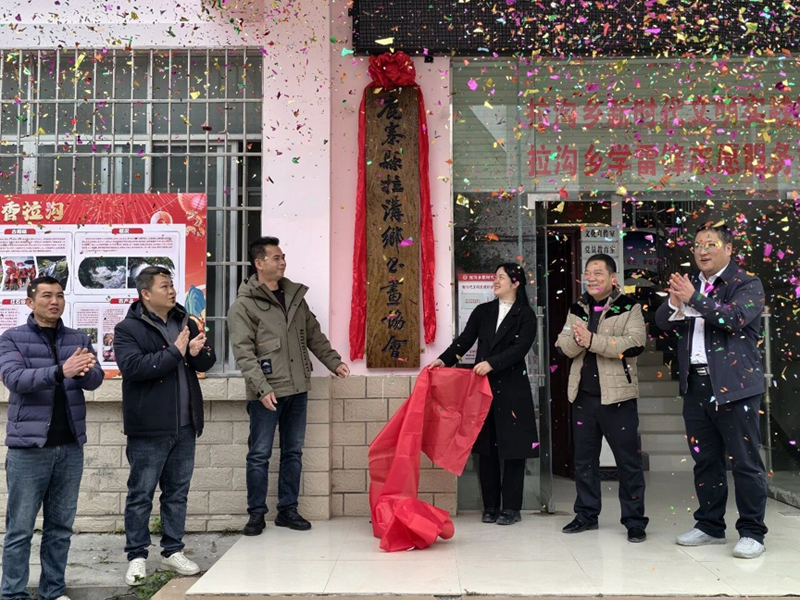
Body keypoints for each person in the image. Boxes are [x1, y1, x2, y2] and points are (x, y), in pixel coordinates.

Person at [656, 223, 768, 559]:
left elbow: (733, 318)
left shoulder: (746, 283)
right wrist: (675, 301)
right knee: (705, 460)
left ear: (728, 249)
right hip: (696, 384)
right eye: (698, 245)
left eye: (711, 244)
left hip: (736, 386)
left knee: (745, 462)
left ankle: (752, 531)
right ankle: (709, 525)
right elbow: (661, 322)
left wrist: (694, 298)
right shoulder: (691, 283)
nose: (702, 250)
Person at [229, 236, 350, 536]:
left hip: (297, 388)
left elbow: (314, 335)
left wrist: (334, 362)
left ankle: (287, 510)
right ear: (259, 263)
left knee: (293, 452)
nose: (282, 262)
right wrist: (262, 388)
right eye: (276, 258)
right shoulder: (244, 305)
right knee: (259, 454)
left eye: (283, 257)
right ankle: (256, 514)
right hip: (266, 393)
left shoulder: (295, 297)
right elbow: (244, 353)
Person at [0, 276, 104, 600]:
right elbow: (15, 379)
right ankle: (13, 594)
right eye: (46, 295)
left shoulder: (77, 338)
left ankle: (53, 591)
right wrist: (61, 370)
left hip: (70, 447)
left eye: (59, 295)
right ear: (30, 302)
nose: (54, 301)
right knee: (20, 529)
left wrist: (86, 371)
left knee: (60, 528)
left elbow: (95, 379)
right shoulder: (12, 338)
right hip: (29, 450)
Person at [113, 267, 216, 586]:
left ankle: (173, 550)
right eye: (165, 286)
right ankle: (136, 556)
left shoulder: (185, 321)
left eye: (172, 285)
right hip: (149, 427)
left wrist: (197, 353)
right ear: (146, 294)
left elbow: (205, 362)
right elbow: (133, 367)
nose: (172, 291)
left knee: (177, 493)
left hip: (185, 425)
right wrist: (175, 352)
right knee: (141, 494)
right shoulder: (127, 329)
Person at [429, 263, 538, 526]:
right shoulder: (483, 311)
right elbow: (464, 340)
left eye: (501, 277)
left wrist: (492, 363)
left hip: (512, 390)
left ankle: (511, 507)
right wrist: (443, 360)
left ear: (515, 283)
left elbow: (520, 348)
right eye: (495, 277)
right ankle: (490, 506)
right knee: (486, 449)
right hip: (484, 389)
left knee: (513, 450)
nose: (495, 281)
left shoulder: (526, 314)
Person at [555, 254, 648, 543]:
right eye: (588, 272)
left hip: (618, 398)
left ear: (612, 277)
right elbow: (562, 346)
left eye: (598, 272)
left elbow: (635, 343)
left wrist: (592, 340)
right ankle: (586, 514)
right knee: (584, 461)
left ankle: (634, 521)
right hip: (583, 397)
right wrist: (578, 339)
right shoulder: (578, 308)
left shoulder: (629, 306)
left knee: (628, 463)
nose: (592, 278)